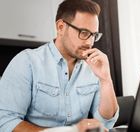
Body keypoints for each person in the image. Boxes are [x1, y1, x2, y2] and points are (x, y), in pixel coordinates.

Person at [0, 0, 119, 131]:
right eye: (84, 33)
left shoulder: (94, 67)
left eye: (94, 35)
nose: (90, 42)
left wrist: (106, 79)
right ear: (61, 27)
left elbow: (106, 123)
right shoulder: (27, 62)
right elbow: (6, 121)